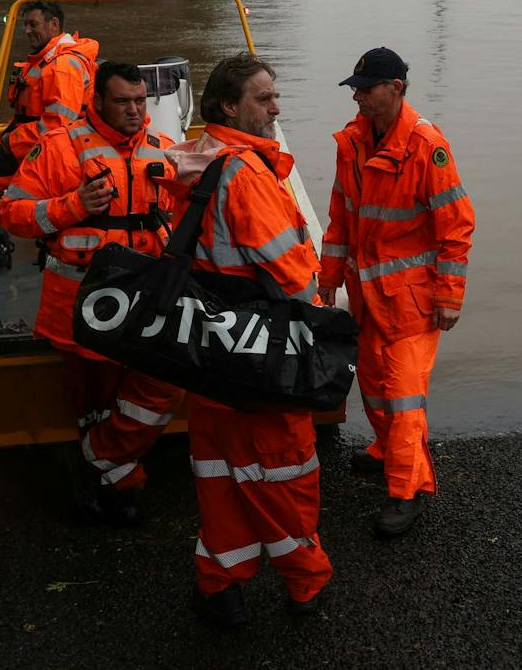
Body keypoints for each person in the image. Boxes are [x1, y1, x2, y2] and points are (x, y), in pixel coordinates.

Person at [163, 52, 331, 628]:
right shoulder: (249, 174)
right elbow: (293, 275)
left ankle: (220, 588)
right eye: (264, 98)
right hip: (260, 355)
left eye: (275, 95)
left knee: (219, 474)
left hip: (208, 352)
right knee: (285, 470)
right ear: (229, 106)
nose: (276, 107)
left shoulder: (193, 159)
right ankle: (305, 586)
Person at [0, 61, 184, 525]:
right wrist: (74, 205)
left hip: (145, 304)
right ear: (97, 101)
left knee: (160, 387)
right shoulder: (59, 149)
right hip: (81, 309)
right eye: (122, 102)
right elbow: (12, 213)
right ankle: (116, 482)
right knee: (95, 409)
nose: (135, 111)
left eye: (140, 102)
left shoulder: (164, 150)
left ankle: (97, 466)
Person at [318, 46, 474, 538]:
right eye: (355, 90)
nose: (358, 97)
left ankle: (406, 491)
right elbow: (341, 217)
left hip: (411, 300)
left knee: (403, 396)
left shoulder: (427, 147)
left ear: (396, 90)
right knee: (374, 386)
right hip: (366, 293)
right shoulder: (354, 144)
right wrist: (328, 279)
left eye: (365, 89)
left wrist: (449, 297)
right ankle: (387, 453)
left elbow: (456, 227)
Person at [0, 0, 100, 179]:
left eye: (33, 24)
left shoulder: (62, 67)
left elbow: (58, 125)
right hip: (37, 144)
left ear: (54, 24)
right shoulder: (48, 60)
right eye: (25, 25)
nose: (27, 31)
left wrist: (12, 141)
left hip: (53, 153)